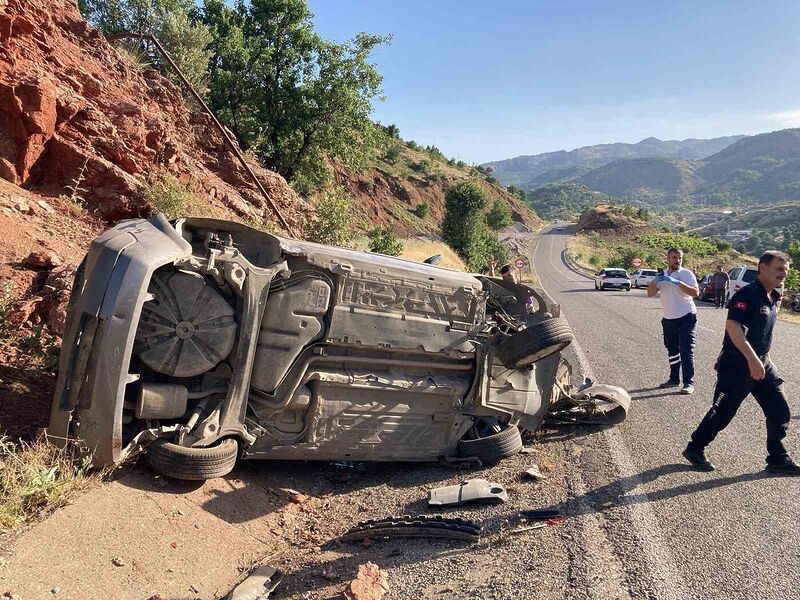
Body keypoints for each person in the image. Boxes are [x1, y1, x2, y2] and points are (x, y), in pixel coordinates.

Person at [683, 251, 799, 474]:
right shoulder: (747, 295)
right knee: (722, 413)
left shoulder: (772, 296)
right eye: (779, 269)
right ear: (762, 268)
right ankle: (695, 448)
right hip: (737, 365)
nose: (783, 274)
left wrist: (760, 360)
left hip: (762, 363)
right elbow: (733, 327)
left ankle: (777, 459)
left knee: (779, 410)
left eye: (786, 270)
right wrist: (752, 360)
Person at [647, 247, 700, 394]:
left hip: (686, 316)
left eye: (679, 258)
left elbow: (695, 293)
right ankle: (674, 379)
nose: (677, 260)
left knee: (686, 349)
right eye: (674, 257)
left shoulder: (686, 274)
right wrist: (655, 281)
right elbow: (650, 294)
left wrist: (676, 282)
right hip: (669, 319)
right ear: (668, 258)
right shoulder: (662, 275)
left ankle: (688, 383)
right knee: (672, 350)